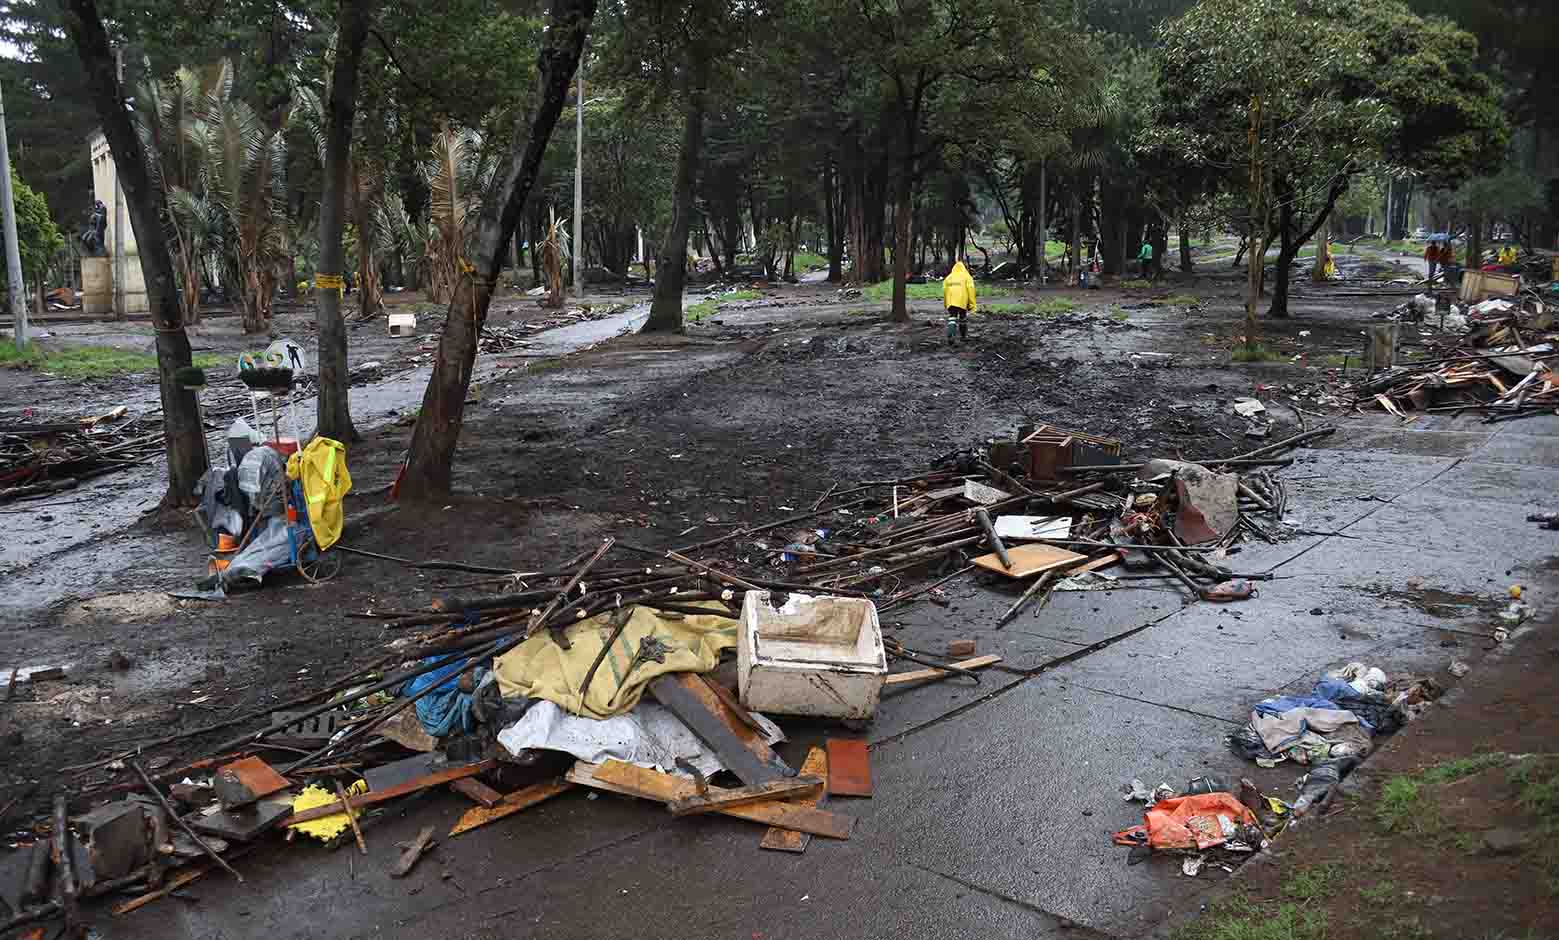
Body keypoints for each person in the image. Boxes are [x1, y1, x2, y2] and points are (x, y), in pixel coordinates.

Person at [941, 257, 977, 345]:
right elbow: (971, 290)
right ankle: (963, 336)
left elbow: (945, 291)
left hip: (950, 301)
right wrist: (972, 304)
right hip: (962, 301)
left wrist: (946, 304)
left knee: (952, 317)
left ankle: (951, 334)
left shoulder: (948, 278)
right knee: (962, 317)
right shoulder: (967, 277)